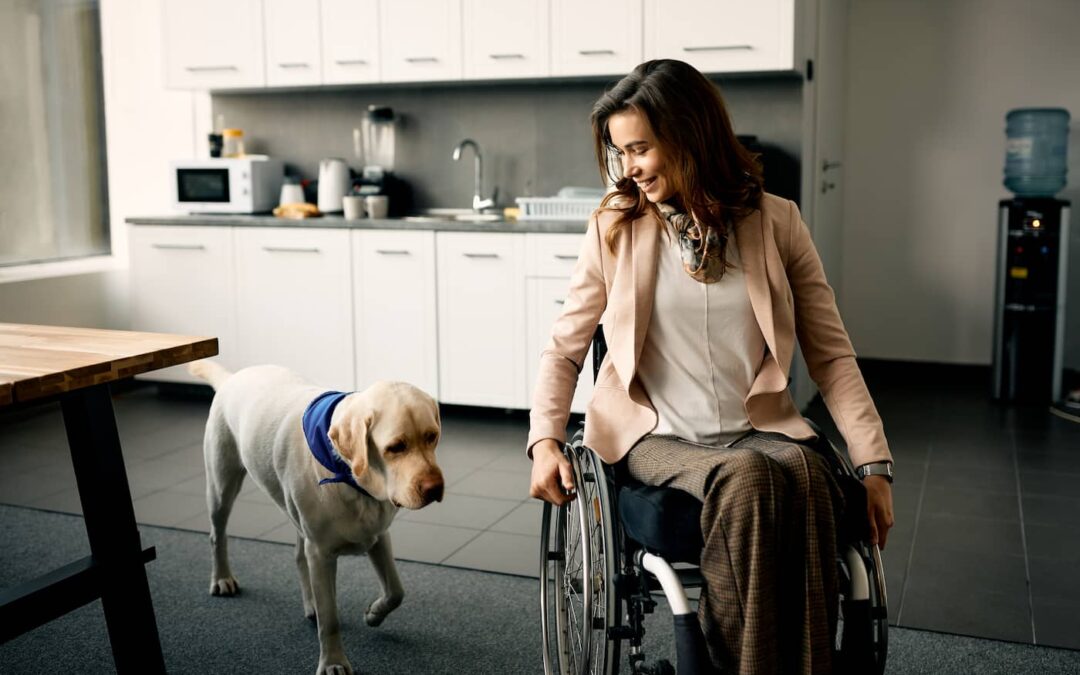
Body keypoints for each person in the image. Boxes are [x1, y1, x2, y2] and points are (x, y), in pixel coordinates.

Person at [527, 59, 895, 675]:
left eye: (640, 148)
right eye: (621, 153)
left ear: (691, 136)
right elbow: (565, 347)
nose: (630, 168)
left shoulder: (777, 223)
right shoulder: (614, 228)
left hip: (754, 427)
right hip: (656, 436)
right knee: (751, 476)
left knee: (804, 470)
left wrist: (874, 464)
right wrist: (544, 440)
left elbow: (831, 353)